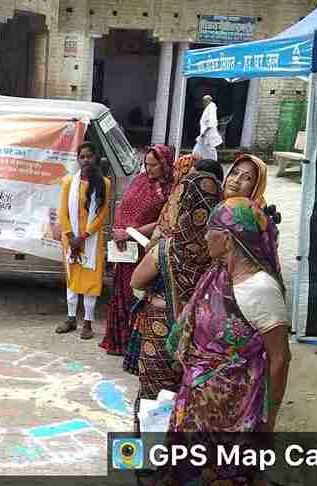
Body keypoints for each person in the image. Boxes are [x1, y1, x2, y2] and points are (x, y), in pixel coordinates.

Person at [140, 198, 291, 486]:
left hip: (235, 414)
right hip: (197, 408)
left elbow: (280, 359)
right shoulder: (218, 275)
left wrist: (268, 419)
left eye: (210, 230)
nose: (204, 237)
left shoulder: (260, 290)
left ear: (228, 238)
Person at [126, 169, 223, 424]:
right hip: (202, 341)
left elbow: (136, 281)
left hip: (161, 335)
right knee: (187, 405)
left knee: (153, 403)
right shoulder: (223, 252)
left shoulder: (167, 249)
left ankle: (146, 446)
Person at [100, 144, 173, 355]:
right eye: (146, 164)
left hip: (145, 249)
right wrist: (118, 230)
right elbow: (124, 207)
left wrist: (131, 232)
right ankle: (118, 342)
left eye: (154, 165)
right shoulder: (140, 181)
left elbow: (163, 221)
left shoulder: (169, 190)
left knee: (137, 295)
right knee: (121, 293)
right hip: (124, 248)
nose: (149, 169)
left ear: (165, 164)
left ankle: (135, 347)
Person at [55, 142, 112, 340]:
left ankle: (87, 323)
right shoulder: (68, 182)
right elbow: (63, 212)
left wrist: (84, 236)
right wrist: (71, 237)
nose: (86, 160)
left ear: (96, 158)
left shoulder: (104, 183)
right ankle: (71, 318)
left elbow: (102, 215)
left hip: (91, 240)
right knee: (72, 278)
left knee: (91, 280)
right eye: (82, 157)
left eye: (89, 156)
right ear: (78, 160)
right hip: (71, 240)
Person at [194, 95, 223, 161]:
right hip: (204, 135)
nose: (203, 102)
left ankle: (213, 162)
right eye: (203, 101)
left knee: (210, 149)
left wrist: (204, 132)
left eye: (205, 101)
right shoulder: (208, 108)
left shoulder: (212, 107)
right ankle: (198, 160)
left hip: (208, 134)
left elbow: (212, 122)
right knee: (200, 148)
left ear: (209, 100)